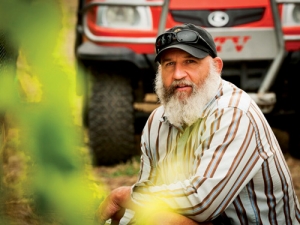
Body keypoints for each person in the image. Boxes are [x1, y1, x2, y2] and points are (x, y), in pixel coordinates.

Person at [95, 23, 300, 225]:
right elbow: (147, 193)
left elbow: (201, 201)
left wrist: (123, 196)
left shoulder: (235, 113)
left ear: (216, 67)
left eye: (190, 62)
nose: (178, 75)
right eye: (169, 64)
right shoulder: (156, 122)